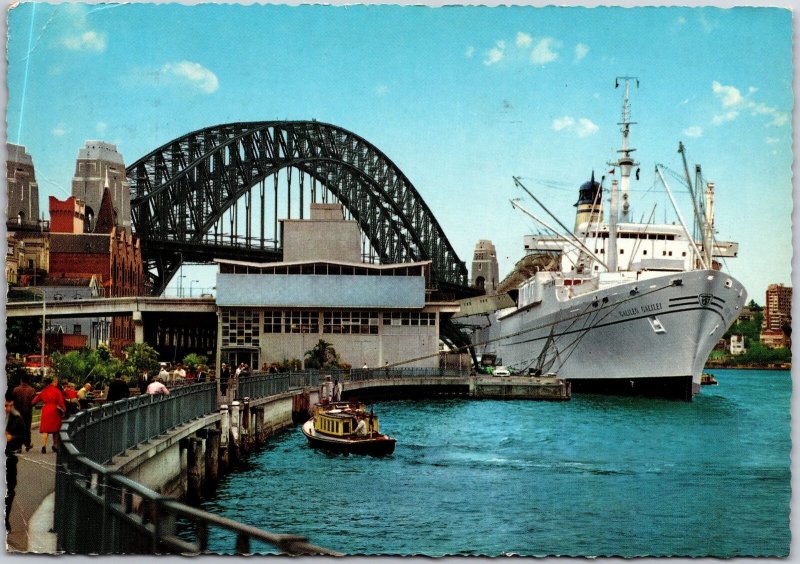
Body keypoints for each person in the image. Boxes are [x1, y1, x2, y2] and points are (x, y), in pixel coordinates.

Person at [5, 390, 26, 531]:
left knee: (9, 489)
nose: (6, 409)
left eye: (9, 405)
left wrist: (12, 438)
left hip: (9, 458)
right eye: (5, 405)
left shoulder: (17, 418)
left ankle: (5, 519)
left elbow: (23, 437)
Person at [31, 377, 66, 453]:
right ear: (52, 382)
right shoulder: (57, 391)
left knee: (45, 430)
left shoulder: (44, 391)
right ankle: (55, 445)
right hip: (55, 410)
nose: (56, 384)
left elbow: (34, 400)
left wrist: (31, 404)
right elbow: (61, 402)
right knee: (56, 430)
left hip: (46, 410)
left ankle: (44, 446)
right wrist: (64, 410)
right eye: (56, 382)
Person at [11, 374, 36, 452]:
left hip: (17, 412)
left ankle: (19, 447)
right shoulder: (32, 390)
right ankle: (27, 444)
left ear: (21, 380)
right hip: (27, 412)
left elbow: (12, 400)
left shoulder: (15, 389)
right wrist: (30, 405)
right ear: (28, 381)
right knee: (27, 428)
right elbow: (34, 402)